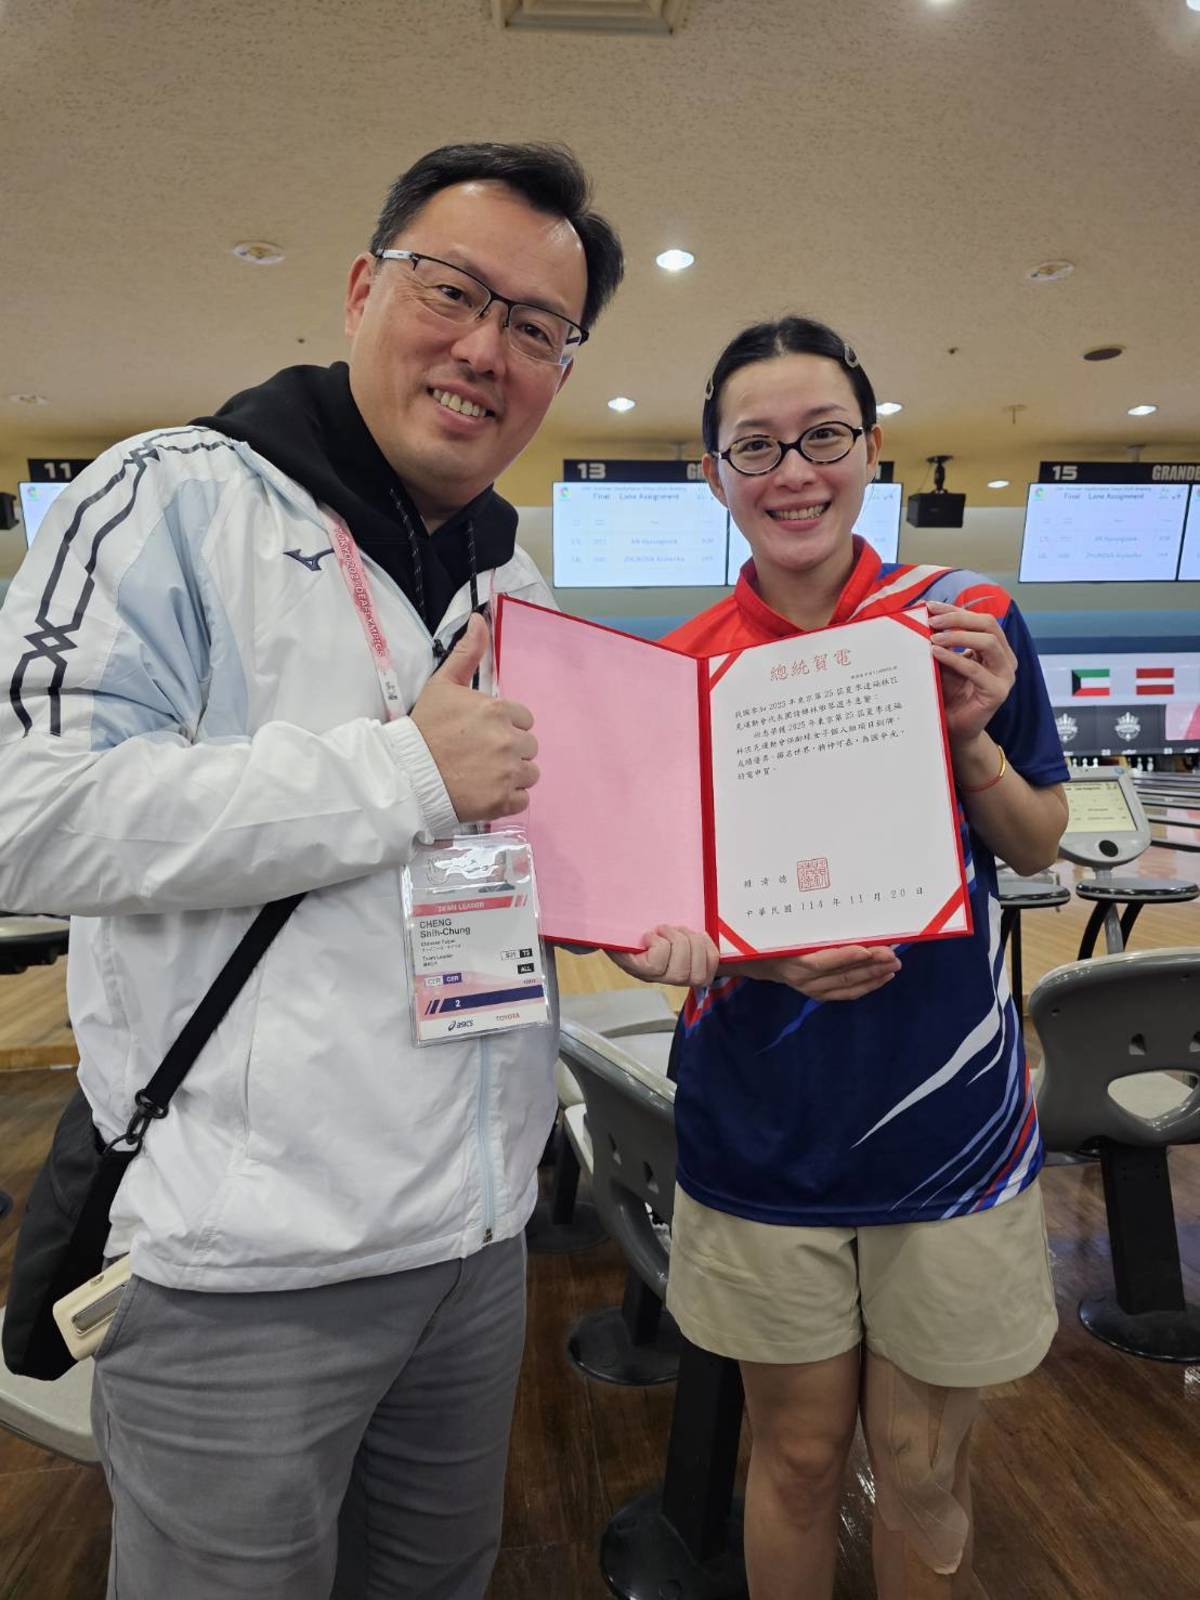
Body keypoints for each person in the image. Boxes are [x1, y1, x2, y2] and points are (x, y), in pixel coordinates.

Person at [0, 141, 705, 1600]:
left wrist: (630, 908)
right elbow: (26, 813)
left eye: (536, 329)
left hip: (474, 1248)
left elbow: (502, 850)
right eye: (454, 290)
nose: (483, 348)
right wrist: (401, 774)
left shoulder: (518, 582)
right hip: (240, 1271)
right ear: (360, 287)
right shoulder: (173, 500)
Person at [661, 316, 1070, 1599]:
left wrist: (972, 741)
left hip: (948, 1119)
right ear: (714, 470)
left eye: (824, 436)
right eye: (756, 445)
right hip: (757, 1123)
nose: (794, 471)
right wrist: (738, 959)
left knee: (920, 1458)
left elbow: (1042, 841)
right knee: (789, 1455)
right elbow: (655, 932)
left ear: (873, 446)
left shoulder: (968, 620)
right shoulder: (680, 670)